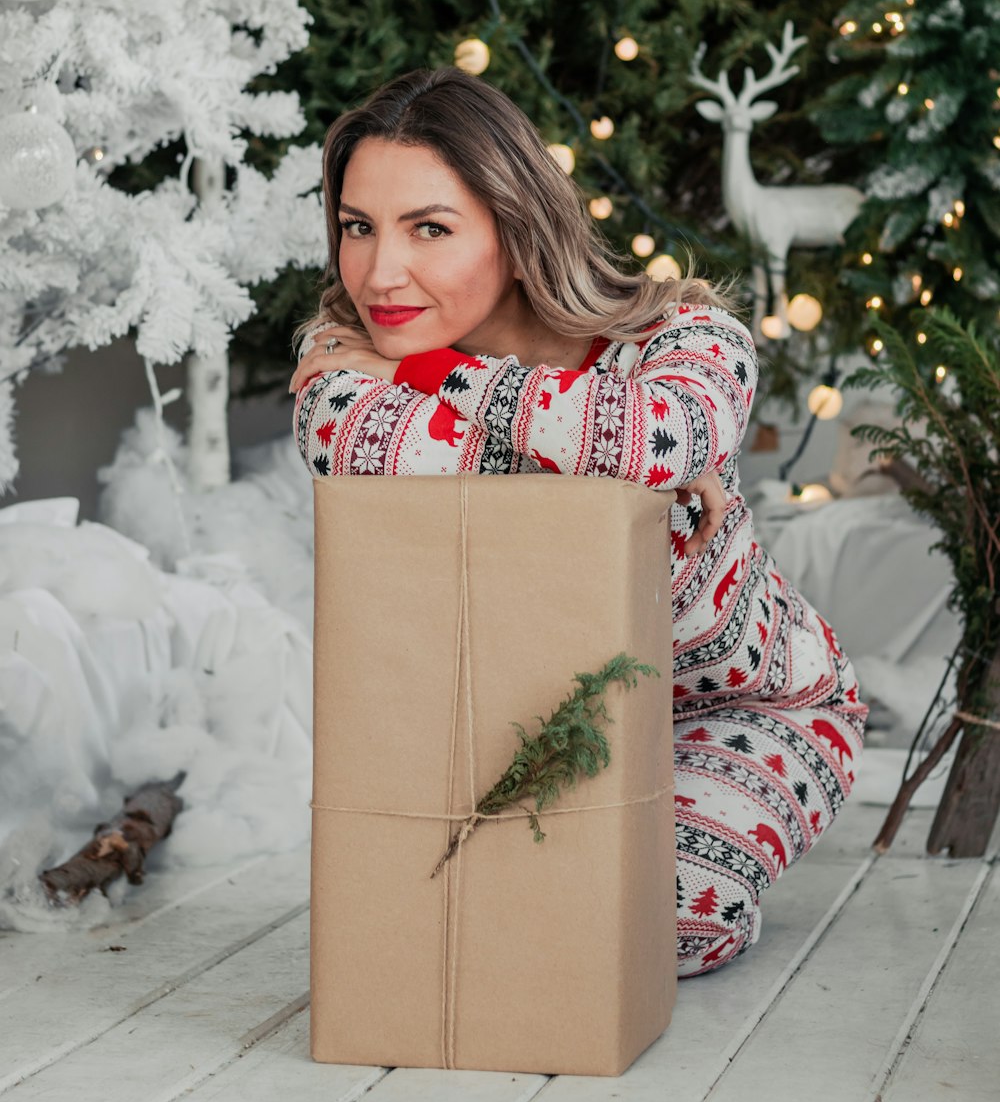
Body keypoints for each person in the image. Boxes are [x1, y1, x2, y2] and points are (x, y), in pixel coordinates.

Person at [288, 65, 868, 978]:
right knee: (450, 933)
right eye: (357, 227)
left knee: (644, 929)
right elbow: (365, 453)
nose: (376, 273)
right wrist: (609, 469)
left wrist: (435, 378)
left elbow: (659, 440)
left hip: (739, 706)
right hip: (526, 726)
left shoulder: (685, 338)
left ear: (517, 233)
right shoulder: (342, 363)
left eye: (428, 228)